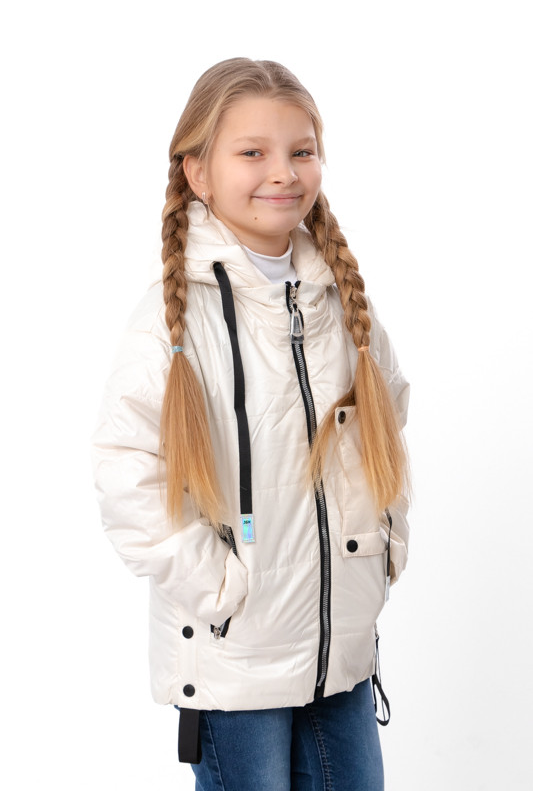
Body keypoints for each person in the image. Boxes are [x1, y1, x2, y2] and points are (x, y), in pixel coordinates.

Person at [92, 57, 410, 791]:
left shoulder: (341, 306)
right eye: (252, 152)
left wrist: (383, 548)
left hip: (340, 653)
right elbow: (125, 471)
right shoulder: (172, 322)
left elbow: (384, 430)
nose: (283, 173)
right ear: (198, 173)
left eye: (301, 151)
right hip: (234, 660)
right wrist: (219, 590)